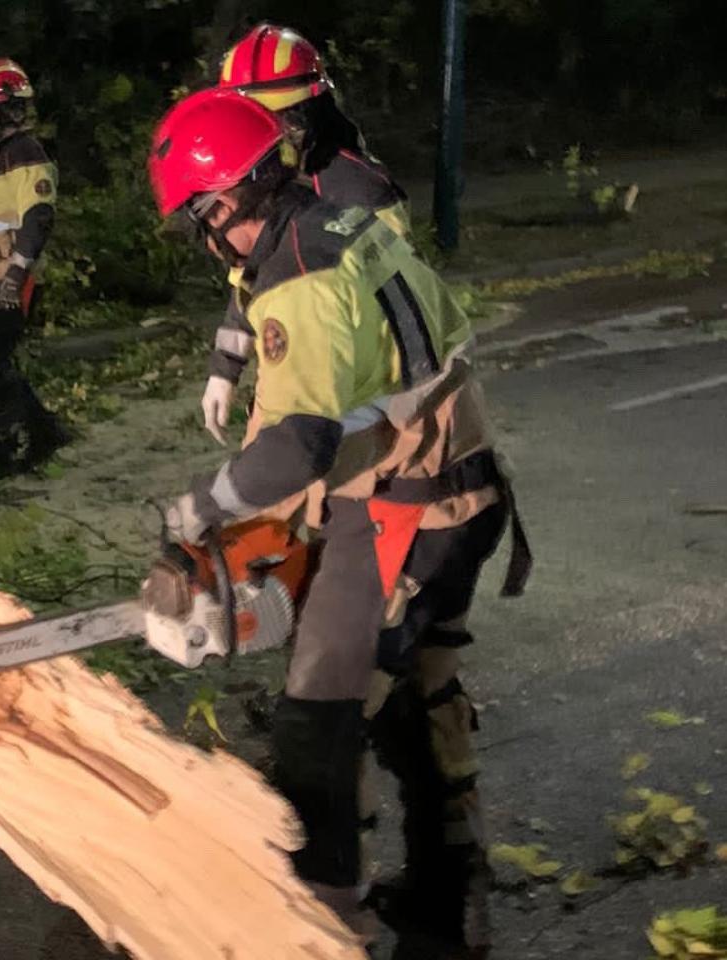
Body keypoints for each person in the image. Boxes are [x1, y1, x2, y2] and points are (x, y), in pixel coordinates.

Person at [149, 87, 530, 958]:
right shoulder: (340, 222)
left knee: (318, 716)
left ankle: (320, 925)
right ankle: (445, 893)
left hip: (418, 506)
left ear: (220, 204)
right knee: (412, 696)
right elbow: (391, 372)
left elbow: (300, 443)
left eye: (200, 221)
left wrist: (204, 508)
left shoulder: (301, 275)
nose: (207, 241)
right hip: (448, 485)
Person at [201, 24, 410, 445]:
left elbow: (395, 306)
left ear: (311, 113)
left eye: (280, 120)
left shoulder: (360, 188)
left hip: (357, 399)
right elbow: (250, 279)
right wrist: (225, 369)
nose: (269, 134)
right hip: (291, 383)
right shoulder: (268, 183)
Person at [0, 57, 71, 476]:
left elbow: (37, 216)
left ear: (6, 108)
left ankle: (1, 453)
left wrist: (17, 270)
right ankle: (44, 433)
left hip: (5, 277)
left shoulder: (26, 156)